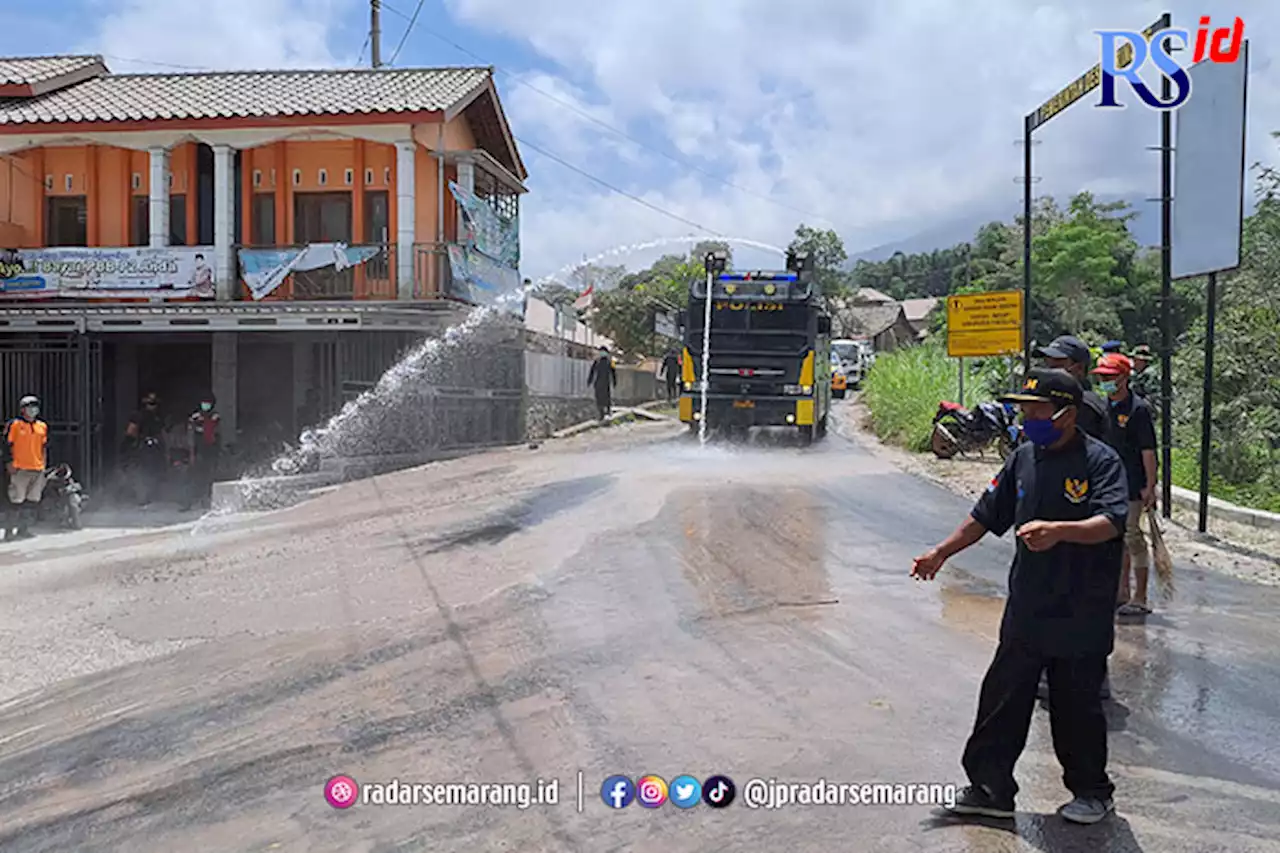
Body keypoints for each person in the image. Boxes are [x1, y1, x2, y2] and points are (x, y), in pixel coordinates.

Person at [913, 368, 1128, 825]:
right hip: (1028, 606)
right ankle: (990, 789)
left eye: (1037, 410)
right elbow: (984, 515)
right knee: (1002, 699)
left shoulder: (1101, 461)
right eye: (1024, 409)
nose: (1027, 417)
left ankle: (1092, 792)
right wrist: (941, 552)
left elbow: (1111, 523)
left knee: (1076, 707)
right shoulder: (1023, 458)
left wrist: (1060, 532)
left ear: (1067, 414)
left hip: (1081, 609)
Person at [1034, 335, 1115, 702]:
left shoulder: (1086, 409)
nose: (1051, 367)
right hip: (1056, 519)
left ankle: (1087, 680)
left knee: (1080, 598)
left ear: (1077, 368)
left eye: (1058, 362)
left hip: (1080, 516)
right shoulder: (1058, 405)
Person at [1093, 354, 1158, 617]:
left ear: (1124, 378)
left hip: (1133, 484)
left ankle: (1140, 596)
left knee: (1132, 537)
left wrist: (1150, 486)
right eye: (1102, 377)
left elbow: (1148, 451)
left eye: (1109, 377)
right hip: (1110, 484)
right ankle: (1121, 592)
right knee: (1114, 539)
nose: (1105, 381)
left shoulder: (1138, 409)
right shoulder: (1103, 407)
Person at [4, 395, 49, 541]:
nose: (33, 409)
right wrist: (9, 462)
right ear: (23, 409)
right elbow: (6, 445)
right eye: (29, 406)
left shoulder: (42, 426)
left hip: (37, 468)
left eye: (35, 406)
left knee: (32, 500)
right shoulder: (15, 425)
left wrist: (44, 465)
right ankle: (9, 531)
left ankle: (24, 529)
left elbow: (44, 447)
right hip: (20, 468)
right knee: (16, 500)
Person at [123, 392, 167, 506]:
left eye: (154, 404)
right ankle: (142, 497)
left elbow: (162, 432)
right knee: (141, 473)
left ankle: (150, 495)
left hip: (155, 448)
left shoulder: (158, 417)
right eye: (150, 404)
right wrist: (129, 446)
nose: (152, 407)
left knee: (154, 472)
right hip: (142, 448)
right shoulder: (138, 416)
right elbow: (131, 432)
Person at [181, 394, 221, 511]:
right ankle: (188, 503)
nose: (205, 405)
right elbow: (190, 434)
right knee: (192, 478)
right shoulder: (195, 417)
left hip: (210, 451)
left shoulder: (215, 416)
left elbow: (214, 430)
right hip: (196, 451)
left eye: (207, 403)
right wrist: (191, 452)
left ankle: (206, 502)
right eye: (203, 402)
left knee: (208, 478)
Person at [587, 346, 616, 421]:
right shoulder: (597, 361)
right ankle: (601, 414)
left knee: (607, 397)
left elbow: (613, 372)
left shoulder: (610, 361)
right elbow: (592, 372)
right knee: (598, 398)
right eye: (600, 351)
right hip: (598, 382)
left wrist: (614, 381)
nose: (601, 353)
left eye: (603, 351)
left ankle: (608, 410)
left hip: (606, 383)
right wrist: (589, 381)